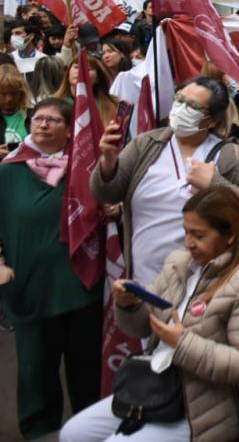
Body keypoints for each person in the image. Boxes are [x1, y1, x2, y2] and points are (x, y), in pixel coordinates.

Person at [60, 187, 239, 442]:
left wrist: (182, 344)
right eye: (186, 232)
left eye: (199, 235)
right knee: (73, 433)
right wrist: (129, 304)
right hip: (157, 386)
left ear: (229, 235)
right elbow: (140, 327)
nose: (189, 242)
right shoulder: (179, 263)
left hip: (207, 409)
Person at [91, 76, 239, 287]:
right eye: (179, 99)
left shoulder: (231, 155)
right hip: (143, 278)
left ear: (212, 120)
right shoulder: (146, 144)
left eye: (192, 105)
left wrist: (216, 184)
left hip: (202, 288)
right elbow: (106, 194)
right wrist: (108, 162)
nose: (181, 108)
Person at [0, 99, 102, 439]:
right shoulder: (8, 170)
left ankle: (89, 427)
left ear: (70, 128)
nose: (43, 125)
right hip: (30, 286)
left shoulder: (84, 170)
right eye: (38, 119)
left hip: (80, 285)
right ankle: (39, 430)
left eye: (53, 120)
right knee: (35, 368)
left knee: (85, 367)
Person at [54, 55, 119, 126]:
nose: (80, 71)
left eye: (88, 69)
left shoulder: (112, 105)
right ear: (68, 73)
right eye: (76, 67)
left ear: (98, 78)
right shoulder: (52, 102)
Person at [0, 64, 31, 156]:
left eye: (13, 93)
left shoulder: (33, 116)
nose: (9, 99)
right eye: (3, 94)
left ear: (21, 93)